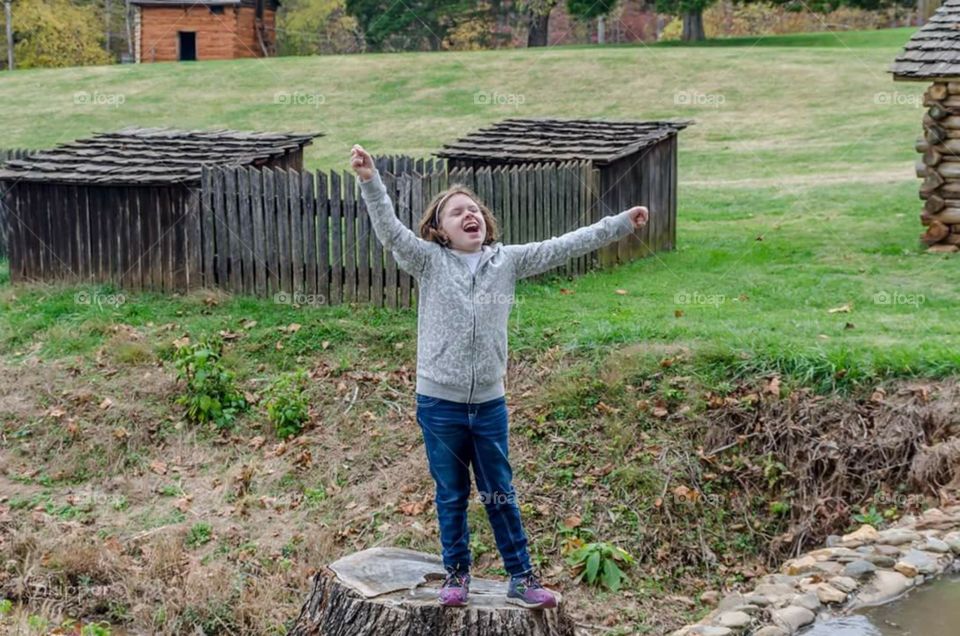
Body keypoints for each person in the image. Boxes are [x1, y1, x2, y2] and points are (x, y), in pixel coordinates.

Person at [349, 144, 649, 609]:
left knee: (499, 493)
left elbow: (565, 245)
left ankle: (521, 577)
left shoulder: (507, 261)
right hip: (439, 403)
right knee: (451, 494)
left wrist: (621, 223)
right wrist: (370, 180)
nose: (470, 216)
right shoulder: (428, 260)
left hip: (489, 403)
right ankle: (456, 575)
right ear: (438, 230)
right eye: (456, 213)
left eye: (474, 210)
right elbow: (389, 231)